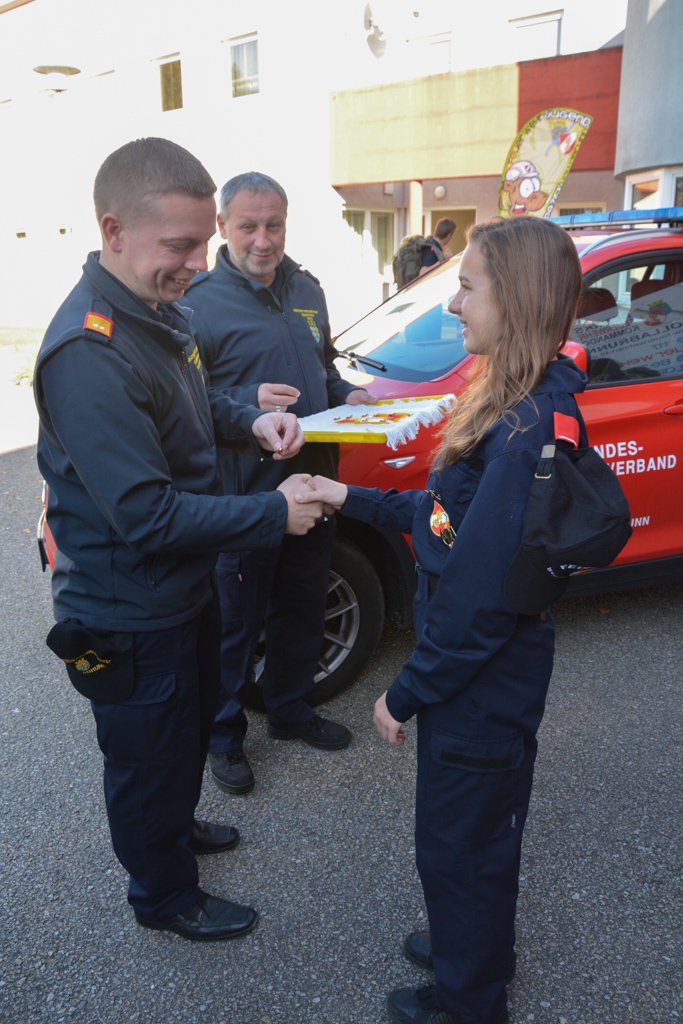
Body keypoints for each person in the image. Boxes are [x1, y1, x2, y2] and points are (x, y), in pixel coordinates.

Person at [33, 138, 325, 942]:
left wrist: (249, 420)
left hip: (180, 585)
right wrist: (272, 513)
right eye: (181, 245)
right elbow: (147, 516)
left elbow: (193, 406)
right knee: (147, 758)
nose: (198, 263)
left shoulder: (157, 311)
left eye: (201, 243)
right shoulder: (89, 352)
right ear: (114, 230)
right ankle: (163, 896)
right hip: (131, 605)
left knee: (184, 735)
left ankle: (173, 829)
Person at [299, 216, 586, 1024]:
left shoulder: (522, 428)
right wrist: (344, 495)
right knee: (477, 836)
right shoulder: (517, 401)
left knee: (460, 847)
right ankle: (476, 948)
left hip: (479, 683)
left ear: (514, 299)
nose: (454, 304)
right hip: (487, 677)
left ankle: (468, 1000)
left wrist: (405, 692)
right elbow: (441, 517)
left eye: (467, 286)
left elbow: (477, 603)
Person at [183, 171, 374, 796]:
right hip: (248, 497)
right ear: (222, 226)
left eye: (274, 225)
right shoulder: (197, 302)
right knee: (235, 626)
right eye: (248, 227)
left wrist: (351, 394)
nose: (263, 240)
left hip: (314, 486)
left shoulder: (307, 288)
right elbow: (187, 403)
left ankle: (290, 709)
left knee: (302, 605)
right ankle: (223, 737)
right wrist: (248, 402)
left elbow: (323, 370)